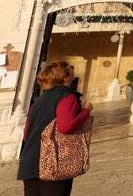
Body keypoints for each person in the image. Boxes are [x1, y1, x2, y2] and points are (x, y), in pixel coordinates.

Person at [17, 61, 93, 196]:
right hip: (54, 162)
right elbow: (66, 126)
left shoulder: (38, 101)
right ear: (65, 77)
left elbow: (26, 133)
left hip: (30, 163)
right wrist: (86, 111)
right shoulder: (68, 97)